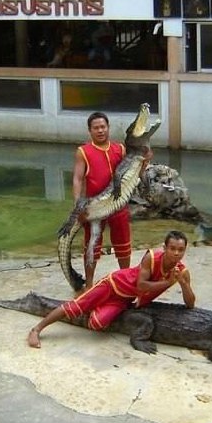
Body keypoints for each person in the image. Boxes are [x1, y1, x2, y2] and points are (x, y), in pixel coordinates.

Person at [27, 230, 196, 348]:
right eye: (172, 248)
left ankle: (93, 306)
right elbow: (141, 285)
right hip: (113, 285)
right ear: (165, 248)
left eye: (180, 250)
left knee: (96, 324)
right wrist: (168, 283)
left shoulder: (181, 271)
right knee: (75, 306)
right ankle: (36, 330)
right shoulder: (151, 257)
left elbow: (190, 304)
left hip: (125, 299)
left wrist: (183, 283)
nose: (176, 253)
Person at [72, 111, 134, 289]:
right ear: (90, 131)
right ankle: (89, 285)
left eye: (103, 127)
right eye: (96, 128)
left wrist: (145, 161)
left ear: (108, 128)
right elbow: (77, 178)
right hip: (94, 206)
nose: (100, 131)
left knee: (123, 244)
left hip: (118, 205)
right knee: (92, 246)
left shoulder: (120, 149)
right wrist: (78, 204)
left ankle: (126, 280)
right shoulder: (83, 152)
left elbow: (131, 170)